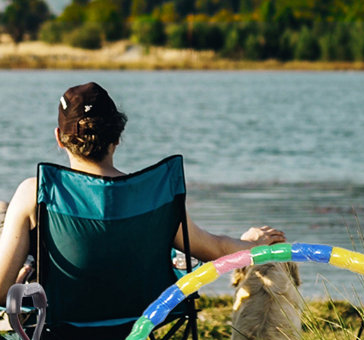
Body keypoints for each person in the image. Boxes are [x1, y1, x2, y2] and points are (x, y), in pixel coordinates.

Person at [0, 82, 287, 302]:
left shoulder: (35, 192)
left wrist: (21, 280)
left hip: (58, 332)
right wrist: (254, 242)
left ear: (60, 140)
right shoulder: (154, 193)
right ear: (118, 137)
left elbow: (1, 292)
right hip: (141, 324)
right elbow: (216, 250)